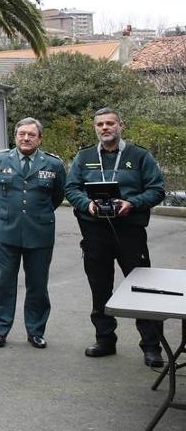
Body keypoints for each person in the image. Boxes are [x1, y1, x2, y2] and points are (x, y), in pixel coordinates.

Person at [64, 107, 167, 368]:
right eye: (100, 124)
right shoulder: (84, 156)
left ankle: (152, 346)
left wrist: (131, 203)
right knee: (100, 288)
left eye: (110, 123)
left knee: (143, 288)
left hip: (129, 230)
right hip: (95, 231)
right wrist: (86, 204)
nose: (105, 128)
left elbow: (157, 189)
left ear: (121, 125)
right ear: (95, 128)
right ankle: (105, 339)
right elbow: (71, 188)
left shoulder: (139, 155)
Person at [0, 118, 65, 350]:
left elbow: (57, 197)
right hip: (6, 231)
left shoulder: (53, 164)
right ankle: (0, 330)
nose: (26, 138)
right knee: (3, 284)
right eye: (21, 134)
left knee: (38, 285)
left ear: (39, 138)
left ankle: (36, 330)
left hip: (39, 233)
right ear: (15, 136)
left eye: (31, 135)